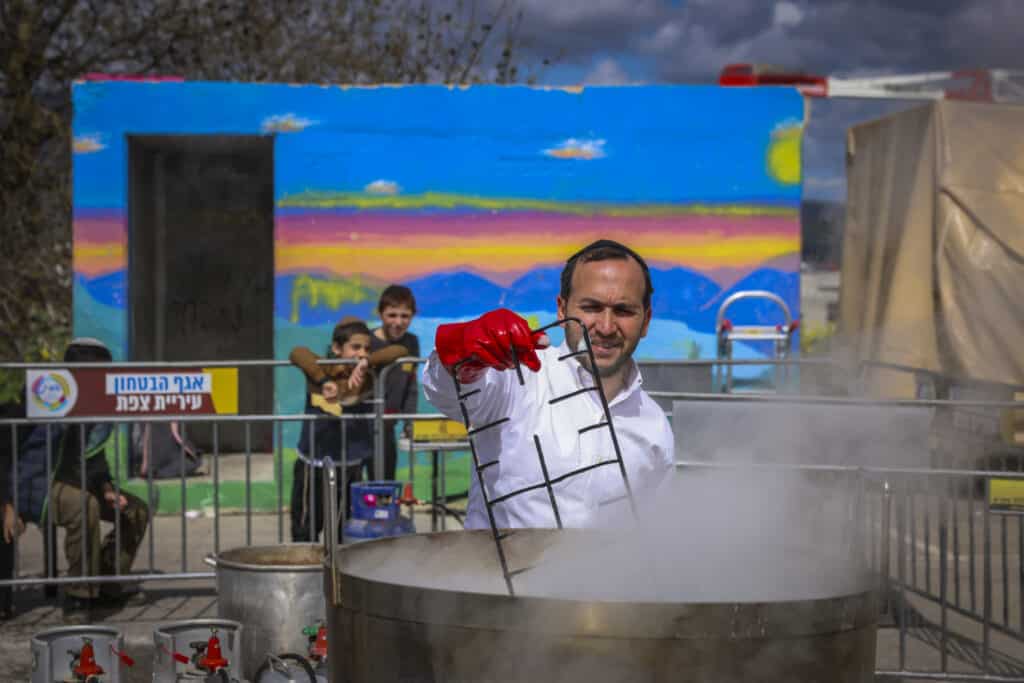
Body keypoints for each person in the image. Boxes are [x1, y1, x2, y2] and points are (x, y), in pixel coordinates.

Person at [422, 239, 674, 529]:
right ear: (561, 308)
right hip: (491, 572)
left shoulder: (654, 424)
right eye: (591, 307)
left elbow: (653, 534)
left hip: (609, 575)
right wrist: (463, 351)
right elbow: (445, 391)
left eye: (623, 310)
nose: (606, 327)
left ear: (646, 321)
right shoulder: (519, 378)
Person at [19, 338, 151, 612]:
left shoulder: (97, 406)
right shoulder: (48, 393)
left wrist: (106, 488)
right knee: (83, 507)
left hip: (81, 483)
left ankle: (106, 582)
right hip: (39, 484)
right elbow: (20, 453)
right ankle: (79, 596)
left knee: (136, 511)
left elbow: (94, 457)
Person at [289, 318, 407, 542]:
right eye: (355, 347)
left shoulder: (369, 376)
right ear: (336, 348)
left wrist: (367, 362)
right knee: (305, 529)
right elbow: (298, 352)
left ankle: (337, 577)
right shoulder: (320, 369)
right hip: (313, 464)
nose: (362, 352)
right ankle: (310, 576)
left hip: (351, 468)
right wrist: (324, 381)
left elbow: (399, 349)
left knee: (344, 535)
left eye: (367, 348)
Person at [369, 285, 421, 481]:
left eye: (405, 316)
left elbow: (411, 386)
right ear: (380, 313)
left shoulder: (412, 342)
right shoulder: (367, 341)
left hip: (387, 427)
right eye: (392, 315)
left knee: (384, 483)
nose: (398, 322)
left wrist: (410, 421)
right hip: (360, 425)